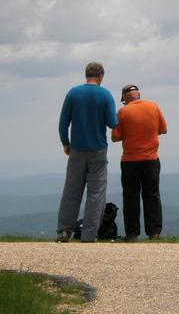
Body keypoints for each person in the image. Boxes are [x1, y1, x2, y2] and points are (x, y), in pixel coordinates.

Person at [56, 62, 118, 243]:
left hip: (76, 149)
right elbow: (113, 123)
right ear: (101, 76)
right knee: (96, 193)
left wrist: (65, 143)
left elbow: (63, 123)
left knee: (71, 192)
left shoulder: (73, 93)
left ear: (86, 75)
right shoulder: (105, 94)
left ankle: (64, 232)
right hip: (98, 150)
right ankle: (89, 235)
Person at [112, 84, 167, 240]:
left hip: (130, 161)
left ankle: (132, 234)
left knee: (131, 198)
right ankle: (154, 233)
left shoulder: (123, 112)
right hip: (151, 160)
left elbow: (115, 137)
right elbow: (163, 129)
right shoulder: (153, 106)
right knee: (152, 196)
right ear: (138, 95)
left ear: (126, 98)